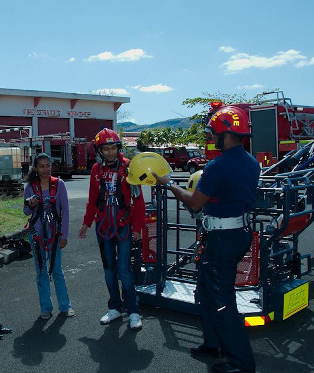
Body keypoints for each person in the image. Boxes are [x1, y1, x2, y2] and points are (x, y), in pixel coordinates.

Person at [153, 106, 258, 373]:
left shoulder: (217, 165)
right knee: (207, 291)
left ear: (227, 134)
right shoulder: (252, 162)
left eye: (213, 133)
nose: (212, 138)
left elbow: (195, 203)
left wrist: (168, 184)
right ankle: (213, 344)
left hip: (221, 240)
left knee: (223, 302)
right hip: (237, 235)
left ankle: (241, 364)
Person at [78, 128, 145, 329]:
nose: (110, 153)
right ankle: (115, 307)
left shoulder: (129, 168)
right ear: (99, 151)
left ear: (119, 148)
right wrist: (86, 223)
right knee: (109, 270)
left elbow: (138, 201)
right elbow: (92, 200)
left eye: (113, 148)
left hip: (124, 226)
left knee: (124, 270)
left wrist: (137, 228)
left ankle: (133, 311)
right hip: (104, 227)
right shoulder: (96, 171)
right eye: (105, 149)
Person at [23, 153, 75, 320]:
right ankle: (45, 307)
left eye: (48, 165)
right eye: (42, 166)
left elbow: (65, 211)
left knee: (57, 270)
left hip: (55, 234)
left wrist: (64, 235)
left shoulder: (59, 184)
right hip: (37, 234)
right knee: (41, 271)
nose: (45, 169)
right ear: (36, 168)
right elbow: (25, 211)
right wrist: (31, 205)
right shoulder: (30, 187)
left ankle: (65, 306)